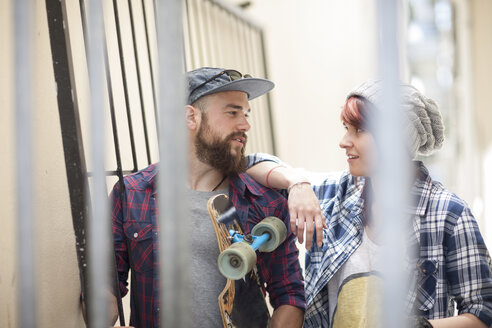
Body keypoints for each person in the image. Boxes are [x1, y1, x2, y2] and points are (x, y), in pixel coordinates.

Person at [245, 80, 492, 327]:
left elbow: (483, 313)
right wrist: (297, 183)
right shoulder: (336, 194)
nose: (344, 141)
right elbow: (249, 164)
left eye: (359, 130)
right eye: (346, 128)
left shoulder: (448, 214)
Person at [109, 67, 305, 327]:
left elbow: (290, 297)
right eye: (232, 112)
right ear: (191, 117)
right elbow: (108, 284)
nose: (245, 124)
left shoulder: (264, 203)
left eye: (245, 114)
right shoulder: (132, 194)